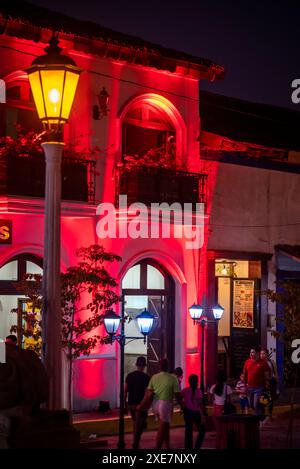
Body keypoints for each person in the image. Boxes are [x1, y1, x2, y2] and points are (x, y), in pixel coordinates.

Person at [138, 358, 181, 449]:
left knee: (165, 427)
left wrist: (141, 406)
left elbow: (148, 394)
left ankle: (168, 446)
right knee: (162, 428)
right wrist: (182, 405)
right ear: (168, 367)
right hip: (165, 404)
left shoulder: (154, 377)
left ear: (159, 366)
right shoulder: (173, 377)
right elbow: (177, 394)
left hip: (155, 404)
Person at [124, 356, 150, 449]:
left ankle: (136, 442)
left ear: (136, 365)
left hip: (131, 404)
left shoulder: (130, 376)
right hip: (141, 405)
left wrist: (125, 404)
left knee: (136, 423)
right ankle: (135, 443)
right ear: (144, 366)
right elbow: (147, 393)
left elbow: (125, 391)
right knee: (139, 425)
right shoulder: (146, 377)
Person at [243, 346, 270, 420]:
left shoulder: (263, 363)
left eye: (253, 352)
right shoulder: (247, 362)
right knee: (251, 405)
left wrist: (267, 385)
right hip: (249, 388)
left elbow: (267, 375)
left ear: (257, 353)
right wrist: (245, 386)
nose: (251, 354)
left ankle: (257, 422)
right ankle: (262, 418)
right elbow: (244, 375)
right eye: (250, 352)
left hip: (259, 388)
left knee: (256, 405)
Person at [182, 374, 206, 449]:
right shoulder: (198, 391)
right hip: (196, 413)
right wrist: (202, 415)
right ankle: (197, 446)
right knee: (202, 431)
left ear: (189, 382)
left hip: (187, 412)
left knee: (188, 432)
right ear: (197, 382)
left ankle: (188, 448)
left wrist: (183, 405)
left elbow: (179, 398)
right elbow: (200, 404)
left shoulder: (185, 390)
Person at [209, 370, 233, 436]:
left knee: (218, 426)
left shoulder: (213, 387)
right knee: (224, 426)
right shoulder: (227, 387)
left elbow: (210, 399)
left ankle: (218, 435)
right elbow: (229, 400)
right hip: (224, 408)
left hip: (216, 408)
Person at [260, 348, 278, 422]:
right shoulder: (259, 363)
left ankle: (270, 415)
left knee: (270, 400)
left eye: (264, 353)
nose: (262, 355)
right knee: (262, 401)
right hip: (261, 384)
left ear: (267, 354)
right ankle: (263, 416)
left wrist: (275, 382)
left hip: (270, 383)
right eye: (261, 354)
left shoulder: (271, 362)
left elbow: (275, 373)